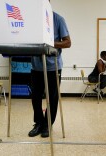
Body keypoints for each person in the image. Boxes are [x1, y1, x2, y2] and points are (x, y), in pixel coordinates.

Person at [28, 6, 71, 138]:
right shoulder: (33, 20)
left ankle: (47, 125)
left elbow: (68, 42)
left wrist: (49, 42)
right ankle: (38, 123)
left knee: (52, 98)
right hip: (36, 66)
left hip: (53, 67)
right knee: (35, 97)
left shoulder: (58, 19)